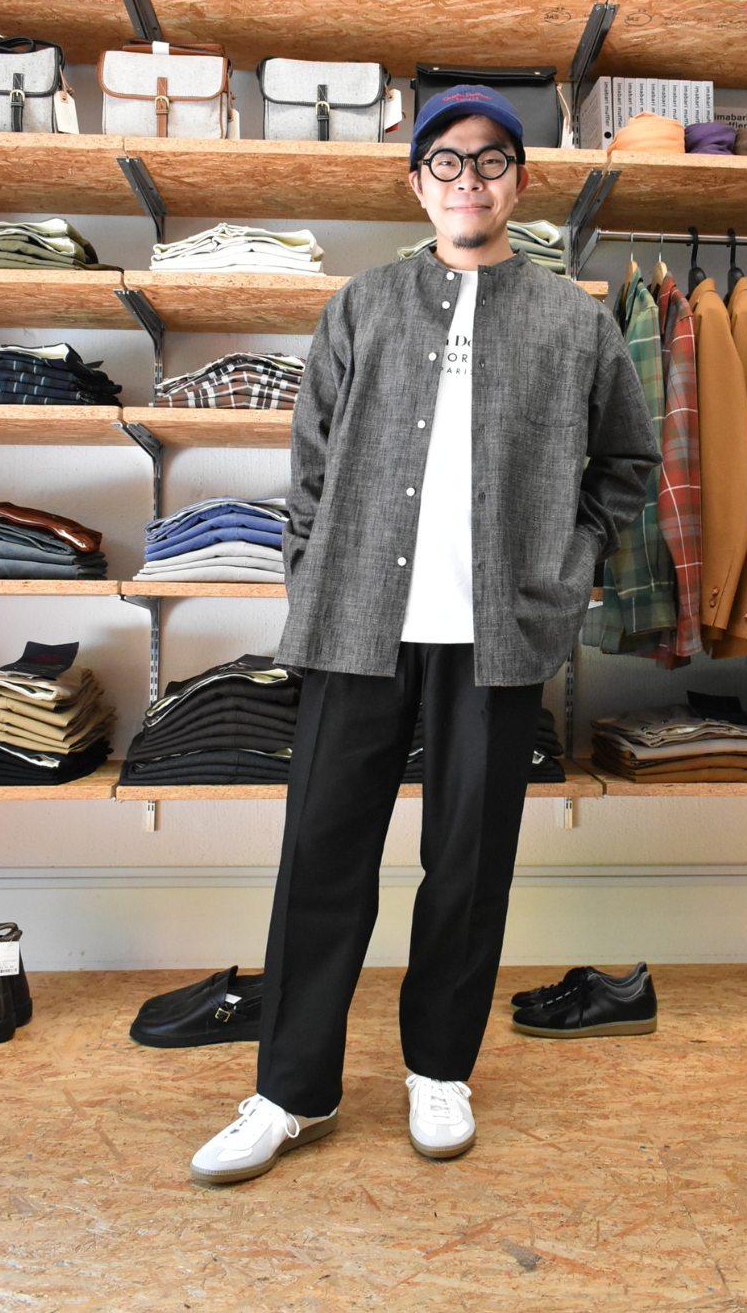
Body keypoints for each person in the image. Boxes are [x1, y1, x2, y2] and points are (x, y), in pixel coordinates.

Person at [191, 85, 659, 1185]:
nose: (468, 180)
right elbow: (310, 466)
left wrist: (566, 569)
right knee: (322, 857)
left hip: (498, 635)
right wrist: (314, 575)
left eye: (490, 161)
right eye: (447, 161)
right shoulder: (361, 307)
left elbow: (628, 466)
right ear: (417, 183)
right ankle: (289, 1091)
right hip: (357, 622)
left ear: (518, 182)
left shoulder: (575, 322)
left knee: (469, 863)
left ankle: (439, 1069)